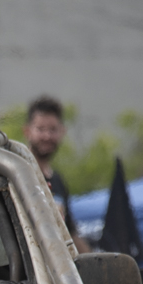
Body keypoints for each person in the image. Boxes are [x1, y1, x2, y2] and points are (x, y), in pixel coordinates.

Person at [24, 96, 90, 253]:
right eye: (40, 129)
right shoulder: (17, 174)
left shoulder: (58, 181)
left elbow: (70, 233)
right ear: (27, 131)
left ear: (62, 132)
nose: (47, 136)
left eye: (52, 130)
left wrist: (96, 261)